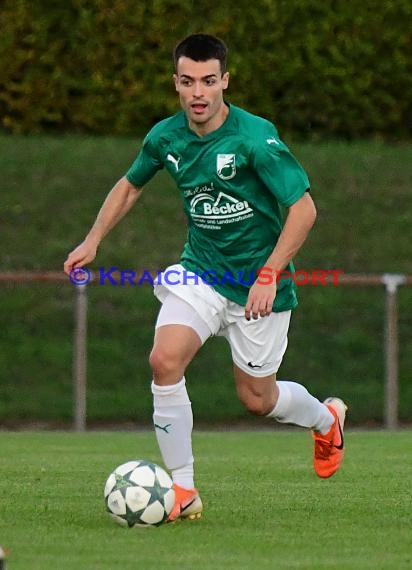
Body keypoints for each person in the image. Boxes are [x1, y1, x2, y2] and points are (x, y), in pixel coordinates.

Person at [64, 33, 347, 522]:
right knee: (164, 360)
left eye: (209, 81)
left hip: (261, 286)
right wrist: (93, 240)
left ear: (225, 82)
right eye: (188, 81)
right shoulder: (166, 138)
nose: (199, 93)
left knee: (258, 399)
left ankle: (327, 420)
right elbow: (130, 186)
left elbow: (303, 210)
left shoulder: (255, 138)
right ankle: (183, 490)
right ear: (176, 83)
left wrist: (267, 274)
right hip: (200, 273)